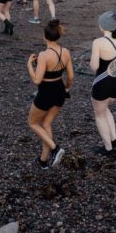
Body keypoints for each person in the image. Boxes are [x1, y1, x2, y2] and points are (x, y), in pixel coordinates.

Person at [27, 19, 74, 169]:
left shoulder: (43, 55)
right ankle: (43, 160)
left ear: (45, 37)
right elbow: (71, 77)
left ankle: (55, 148)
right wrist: (66, 88)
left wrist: (29, 65)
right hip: (60, 90)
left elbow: (36, 80)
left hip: (46, 92)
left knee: (33, 123)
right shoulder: (65, 52)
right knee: (46, 123)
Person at [90, 10, 116, 156]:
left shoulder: (98, 42)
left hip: (103, 82)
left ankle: (108, 149)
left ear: (103, 26)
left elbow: (94, 67)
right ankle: (115, 141)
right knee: (105, 108)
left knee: (99, 114)